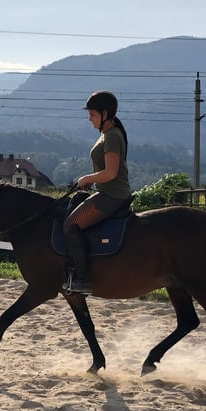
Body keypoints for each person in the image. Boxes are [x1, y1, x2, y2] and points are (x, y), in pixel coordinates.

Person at [62, 90, 132, 294]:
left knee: (71, 225)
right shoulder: (107, 134)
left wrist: (87, 178)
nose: (90, 120)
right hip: (106, 192)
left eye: (92, 115)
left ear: (105, 113)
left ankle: (82, 279)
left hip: (112, 195)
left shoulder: (111, 137)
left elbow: (111, 173)